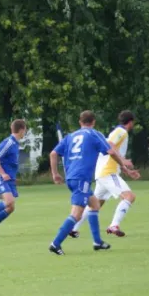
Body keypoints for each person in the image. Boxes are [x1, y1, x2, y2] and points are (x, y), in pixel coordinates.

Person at [49, 110, 140, 256]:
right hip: (81, 178)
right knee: (76, 214)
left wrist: (55, 174)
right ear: (93, 122)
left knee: (94, 204)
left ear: (80, 122)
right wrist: (124, 167)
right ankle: (55, 243)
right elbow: (110, 152)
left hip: (72, 176)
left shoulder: (70, 136)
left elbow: (53, 154)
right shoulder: (94, 134)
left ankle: (97, 242)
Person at [70, 110, 137, 238]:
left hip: (102, 173)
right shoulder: (121, 131)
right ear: (131, 122)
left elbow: (112, 151)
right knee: (129, 196)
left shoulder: (119, 132)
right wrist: (123, 161)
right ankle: (114, 225)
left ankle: (73, 228)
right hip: (108, 172)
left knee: (95, 205)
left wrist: (125, 168)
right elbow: (110, 145)